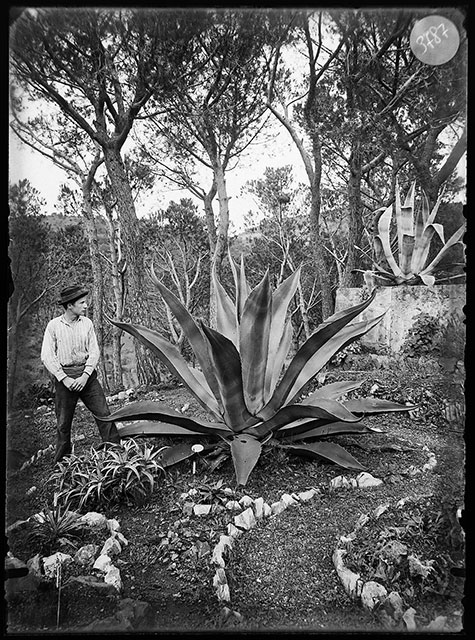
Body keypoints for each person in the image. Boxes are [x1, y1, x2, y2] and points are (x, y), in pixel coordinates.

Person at [41, 284, 121, 464]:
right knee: (63, 423)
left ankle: (116, 455)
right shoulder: (53, 326)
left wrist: (85, 375)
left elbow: (94, 352)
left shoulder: (87, 323)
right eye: (82, 303)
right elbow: (47, 355)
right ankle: (62, 463)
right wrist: (64, 378)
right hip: (65, 378)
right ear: (70, 305)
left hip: (88, 376)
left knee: (104, 414)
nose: (86, 306)